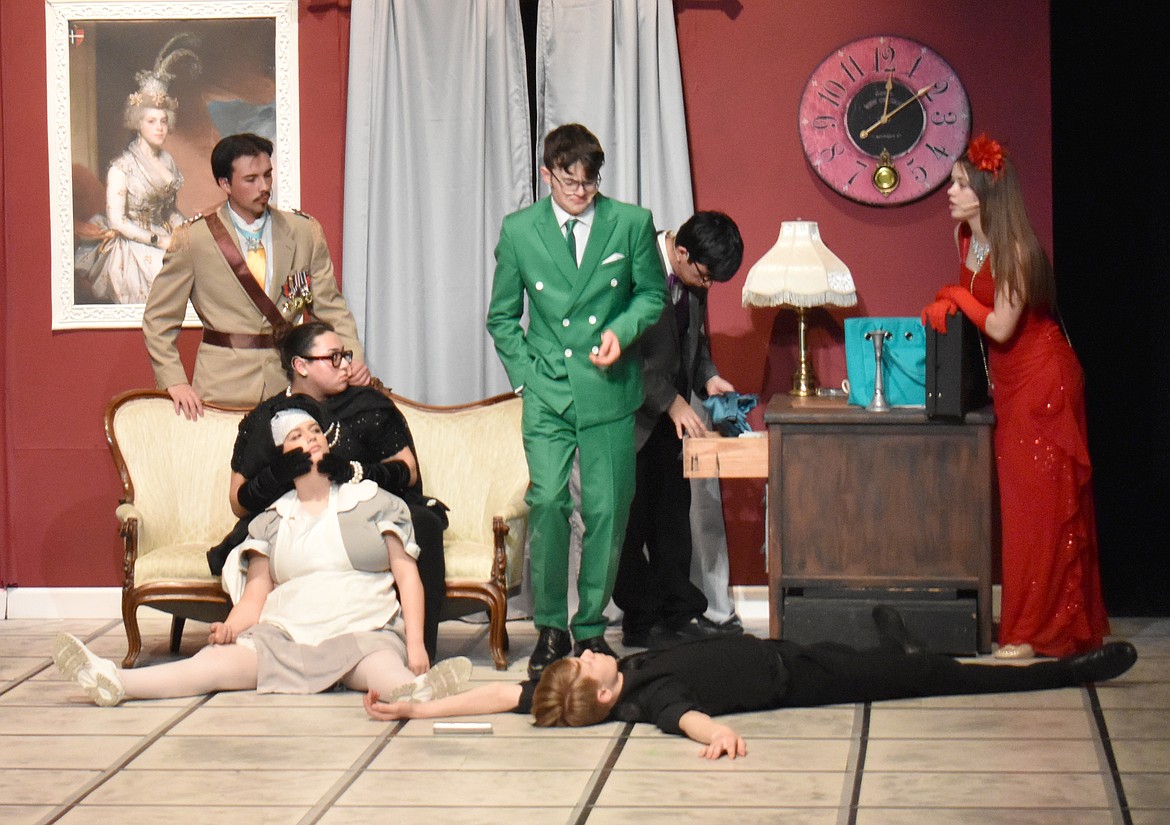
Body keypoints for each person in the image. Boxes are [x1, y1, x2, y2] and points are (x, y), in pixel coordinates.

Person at [53, 398, 470, 708]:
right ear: (281, 457)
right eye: (296, 436)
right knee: (211, 664)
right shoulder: (271, 520)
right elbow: (255, 596)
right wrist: (230, 629)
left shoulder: (373, 501)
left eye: (315, 432)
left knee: (384, 671)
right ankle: (116, 681)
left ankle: (417, 691)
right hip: (287, 634)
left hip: (365, 629)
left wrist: (416, 645)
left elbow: (408, 578)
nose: (310, 439)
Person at [363, 605, 1137, 759]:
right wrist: (719, 736)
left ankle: (893, 644)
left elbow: (504, 695)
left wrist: (413, 708)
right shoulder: (648, 699)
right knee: (931, 679)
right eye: (588, 663)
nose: (593, 654)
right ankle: (1065, 672)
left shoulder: (604, 680)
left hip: (785, 647)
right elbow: (690, 719)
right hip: (799, 678)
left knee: (883, 657)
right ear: (602, 695)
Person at [485, 124, 666, 678]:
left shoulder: (630, 222)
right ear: (547, 175)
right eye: (570, 182)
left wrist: (622, 332)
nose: (581, 193)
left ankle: (589, 627)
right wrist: (525, 378)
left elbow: (652, 294)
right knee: (547, 502)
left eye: (590, 183)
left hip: (608, 385)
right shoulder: (520, 230)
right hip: (548, 388)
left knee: (607, 511)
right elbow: (501, 317)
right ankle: (550, 626)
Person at [922, 134, 1110, 660]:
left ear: (986, 193)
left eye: (962, 184)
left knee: (1041, 511)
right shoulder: (965, 237)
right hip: (1010, 385)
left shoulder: (1017, 251)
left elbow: (1002, 327)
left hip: (1044, 382)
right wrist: (954, 302)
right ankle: (1031, 621)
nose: (951, 192)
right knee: (1022, 510)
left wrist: (952, 295)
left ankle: (1037, 632)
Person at [212, 321, 448, 661]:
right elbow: (238, 501)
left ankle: (419, 652)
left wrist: (354, 471)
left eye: (345, 355)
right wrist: (277, 475)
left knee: (423, 524)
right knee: (252, 538)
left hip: (364, 508)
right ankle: (263, 645)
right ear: (301, 365)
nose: (346, 365)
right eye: (334, 357)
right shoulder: (268, 418)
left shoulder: (367, 404)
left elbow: (407, 471)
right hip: (296, 513)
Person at [143, 132, 370, 420]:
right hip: (221, 389)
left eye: (267, 175)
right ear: (225, 183)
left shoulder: (304, 232)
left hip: (290, 385)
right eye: (251, 179)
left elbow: (331, 308)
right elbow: (158, 318)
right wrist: (174, 379)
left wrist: (352, 358)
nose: (264, 187)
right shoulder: (194, 239)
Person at [613, 211, 744, 649]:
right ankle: (640, 620)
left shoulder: (694, 278)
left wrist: (709, 377)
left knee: (672, 521)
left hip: (671, 423)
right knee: (628, 527)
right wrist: (669, 400)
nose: (707, 286)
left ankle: (677, 614)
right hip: (628, 415)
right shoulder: (630, 264)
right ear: (682, 252)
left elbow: (694, 339)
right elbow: (622, 351)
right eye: (705, 276)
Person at [75, 36, 199, 305]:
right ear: (137, 122)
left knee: (204, 263)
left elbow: (169, 210)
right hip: (133, 245)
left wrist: (185, 229)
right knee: (167, 276)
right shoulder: (121, 168)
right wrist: (160, 240)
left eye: (163, 121)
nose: (159, 128)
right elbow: (118, 222)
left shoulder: (168, 161)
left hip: (165, 237)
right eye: (151, 121)